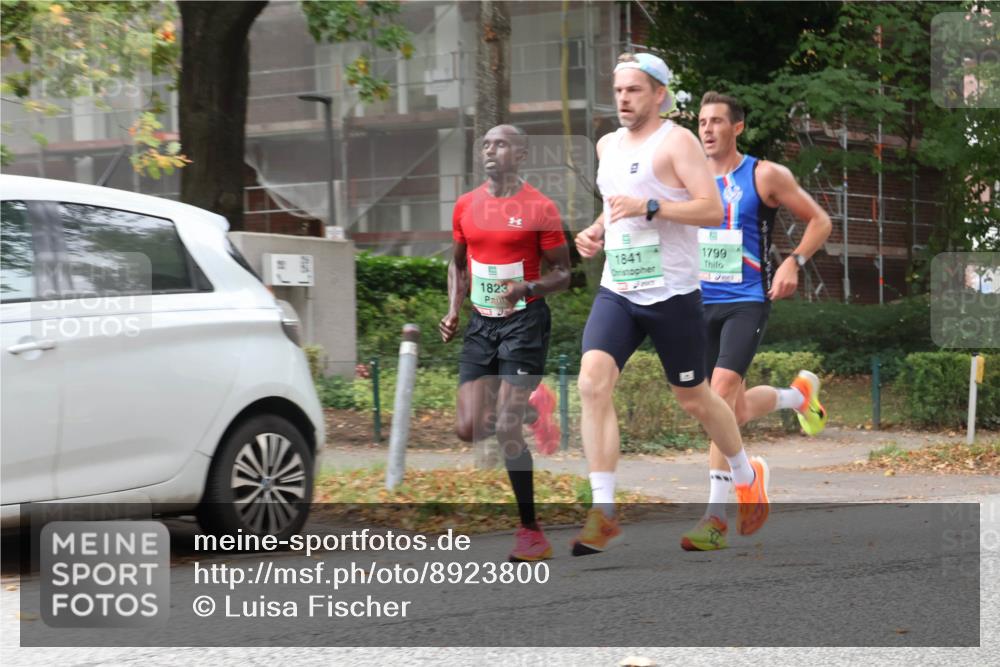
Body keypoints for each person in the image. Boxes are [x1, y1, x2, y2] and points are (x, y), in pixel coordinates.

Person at [572, 53, 769, 556]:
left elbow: (711, 209)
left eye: (634, 90)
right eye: (618, 90)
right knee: (592, 382)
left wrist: (653, 206)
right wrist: (595, 231)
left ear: (659, 94)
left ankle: (745, 474)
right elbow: (617, 201)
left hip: (672, 294)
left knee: (696, 400)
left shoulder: (677, 142)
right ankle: (604, 511)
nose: (622, 99)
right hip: (620, 288)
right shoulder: (606, 144)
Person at [679, 91, 833, 552]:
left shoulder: (764, 174)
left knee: (719, 394)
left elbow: (820, 221)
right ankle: (798, 397)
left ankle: (714, 518)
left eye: (716, 122)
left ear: (737, 127)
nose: (706, 129)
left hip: (747, 300)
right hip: (699, 302)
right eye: (702, 122)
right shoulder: (690, 178)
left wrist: (794, 263)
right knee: (736, 411)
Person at [439, 124, 570, 562]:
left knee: (507, 426)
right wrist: (454, 309)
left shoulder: (540, 207)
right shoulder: (466, 206)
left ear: (522, 154)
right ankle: (535, 406)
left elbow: (565, 274)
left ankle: (531, 531)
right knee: (468, 428)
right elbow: (457, 265)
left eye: (502, 144)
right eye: (487, 145)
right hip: (481, 324)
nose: (492, 151)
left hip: (524, 323)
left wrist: (529, 288)